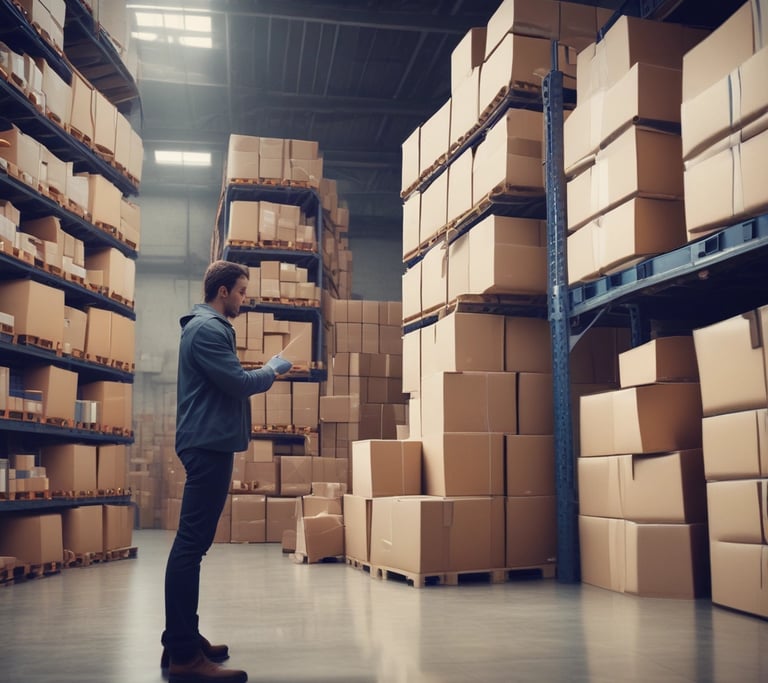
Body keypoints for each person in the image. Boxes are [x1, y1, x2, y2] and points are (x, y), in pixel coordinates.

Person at [161, 260, 292, 683]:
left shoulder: (208, 328)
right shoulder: (208, 330)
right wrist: (271, 371)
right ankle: (184, 656)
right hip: (207, 444)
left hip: (208, 441)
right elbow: (237, 382)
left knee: (192, 546)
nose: (243, 299)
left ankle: (180, 637)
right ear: (222, 292)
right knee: (190, 547)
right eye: (240, 292)